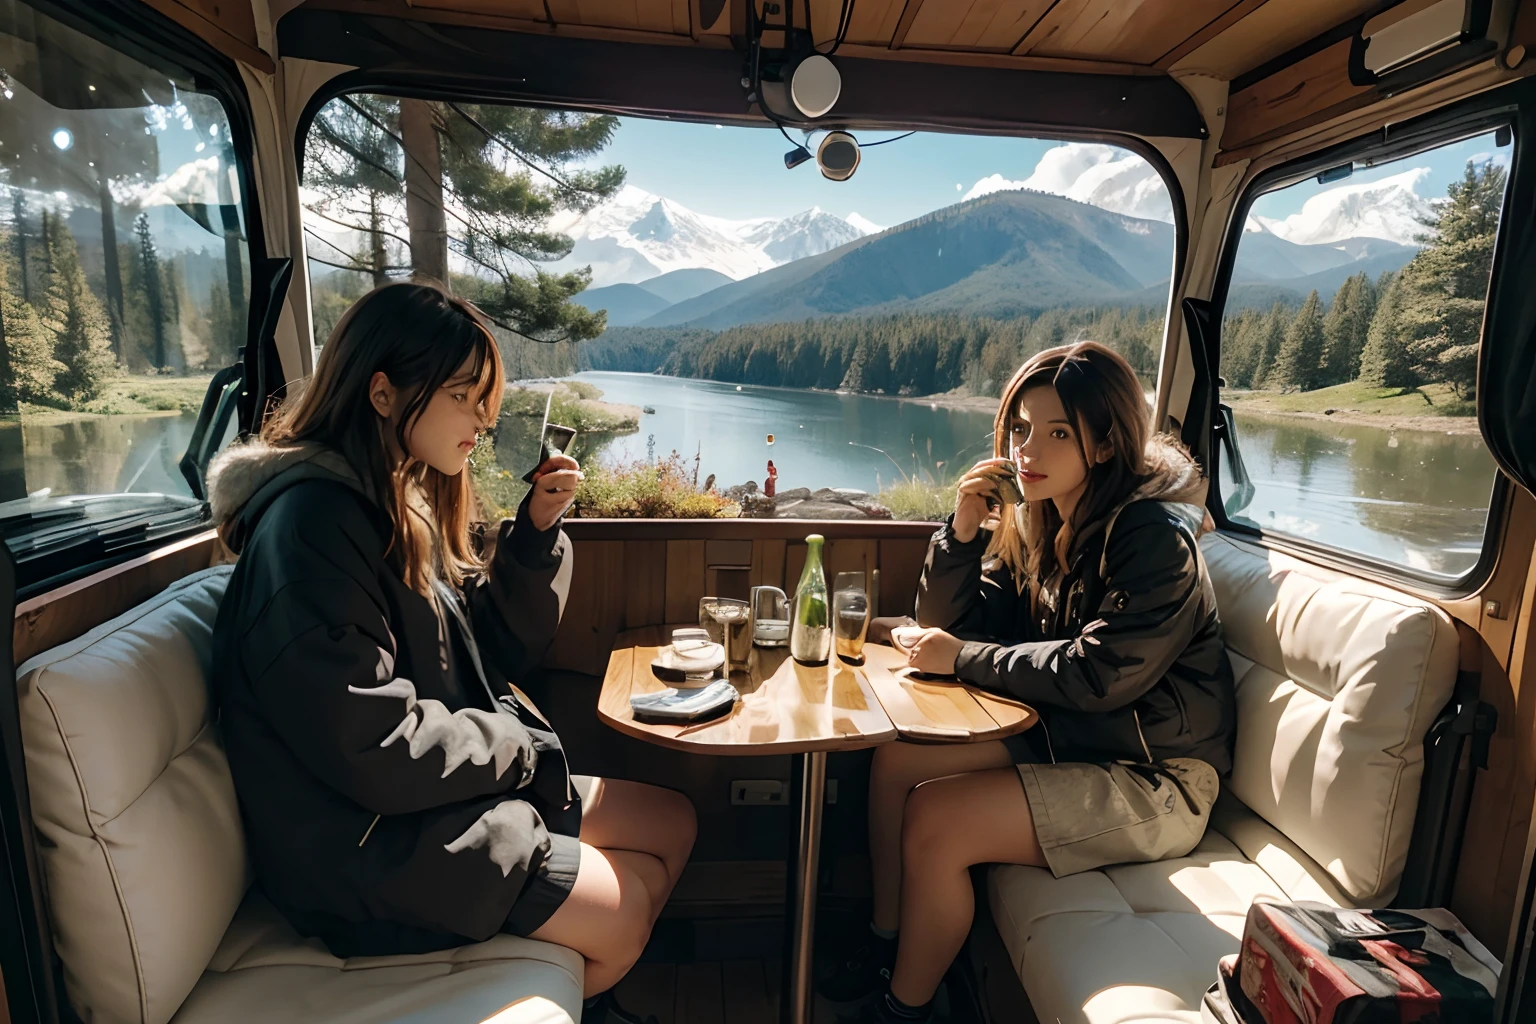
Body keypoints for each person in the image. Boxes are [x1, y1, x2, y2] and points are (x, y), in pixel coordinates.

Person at [208, 281, 695, 1024]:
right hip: (369, 849)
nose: (483, 420)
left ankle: (596, 989)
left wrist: (534, 535)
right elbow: (367, 738)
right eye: (466, 396)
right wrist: (518, 751)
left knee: (672, 824)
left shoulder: (388, 503)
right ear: (382, 392)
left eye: (486, 401)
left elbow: (490, 646)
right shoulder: (312, 529)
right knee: (626, 910)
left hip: (433, 801)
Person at [822, 341, 1236, 1023]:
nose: (1027, 451)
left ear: (1103, 445)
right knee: (895, 761)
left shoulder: (1152, 538)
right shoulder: (1043, 521)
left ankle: (906, 1009)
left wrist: (960, 658)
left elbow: (1100, 674)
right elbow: (948, 626)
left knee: (936, 819)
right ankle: (886, 945)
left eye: (1057, 433)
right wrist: (959, 535)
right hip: (1075, 738)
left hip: (1157, 776)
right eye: (1019, 429)